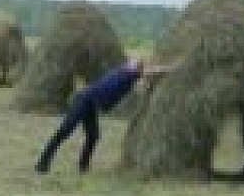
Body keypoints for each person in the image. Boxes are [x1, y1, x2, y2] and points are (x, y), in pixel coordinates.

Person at [35, 58, 177, 174]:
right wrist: (171, 68)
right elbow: (151, 72)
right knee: (65, 130)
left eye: (139, 64)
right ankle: (42, 162)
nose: (137, 64)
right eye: (136, 64)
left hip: (90, 103)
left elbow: (147, 72)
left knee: (93, 136)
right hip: (83, 99)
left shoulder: (125, 75)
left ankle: (83, 166)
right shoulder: (127, 74)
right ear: (131, 66)